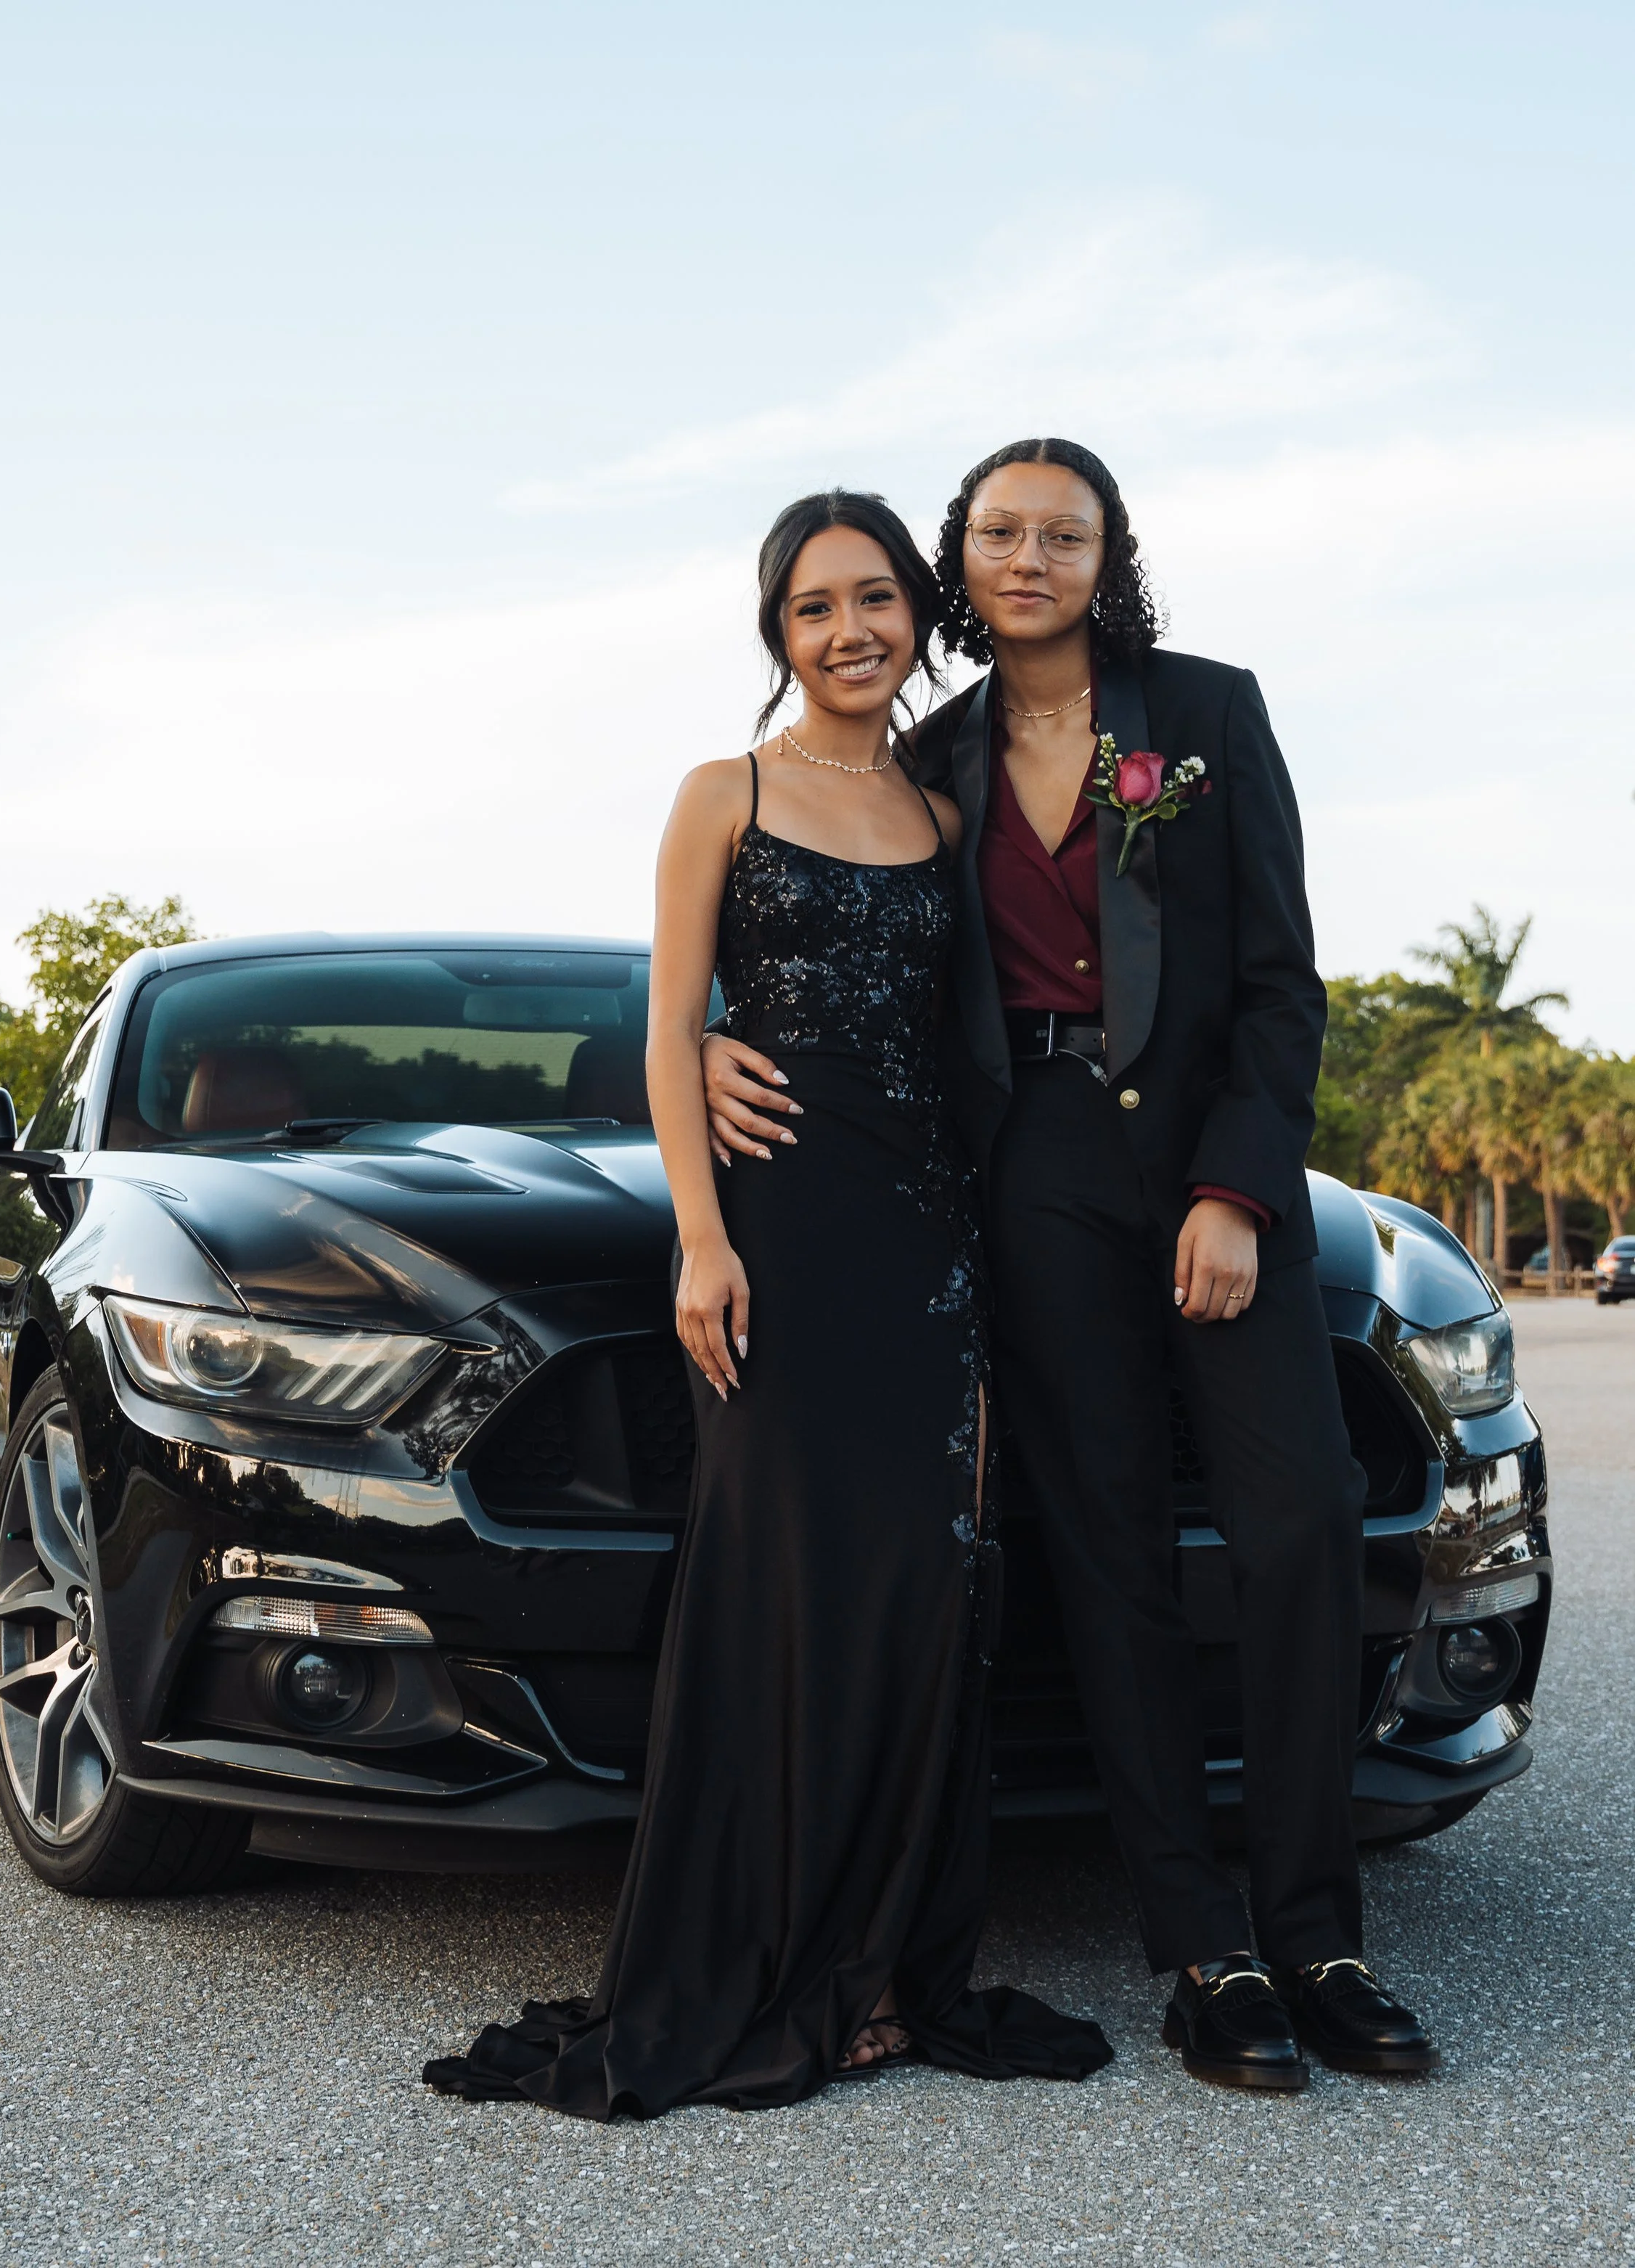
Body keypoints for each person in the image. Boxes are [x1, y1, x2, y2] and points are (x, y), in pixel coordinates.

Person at [703, 439, 1438, 2092]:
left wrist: (1238, 1186)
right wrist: (693, 1046)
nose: (1026, 556)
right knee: (1104, 1543)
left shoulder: (1206, 714)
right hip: (1025, 1170)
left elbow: (1275, 978)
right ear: (958, 563)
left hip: (1200, 1161)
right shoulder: (940, 754)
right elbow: (815, 936)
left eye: (1062, 532)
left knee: (1297, 1515)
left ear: (1108, 554)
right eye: (997, 533)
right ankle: (1203, 1947)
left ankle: (1317, 1929)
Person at [422, 489, 1112, 2118]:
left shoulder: (946, 803)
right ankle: (764, 1954)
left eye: (875, 598)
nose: (849, 630)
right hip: (781, 1243)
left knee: (913, 1593)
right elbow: (670, 1025)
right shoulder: (718, 791)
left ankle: (875, 1961)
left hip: (929, 1245)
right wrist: (700, 1238)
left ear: (915, 616)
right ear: (776, 633)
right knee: (783, 1592)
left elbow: (980, 1031)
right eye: (813, 608)